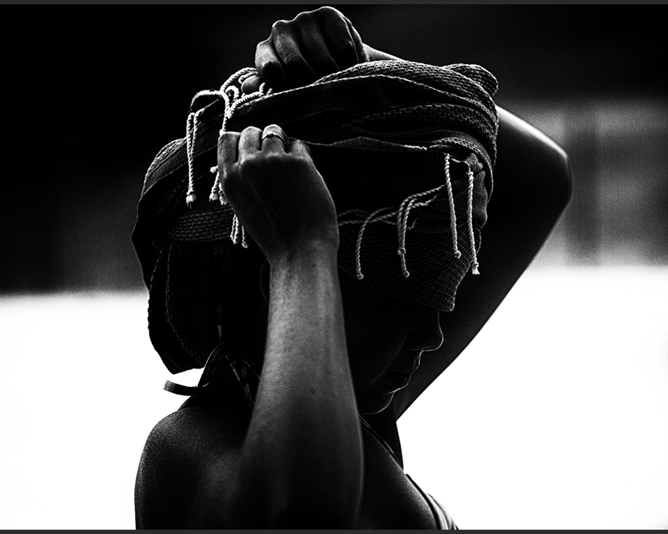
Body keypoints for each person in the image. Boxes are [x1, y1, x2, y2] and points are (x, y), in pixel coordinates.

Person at [133, 7, 571, 529]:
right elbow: (303, 513)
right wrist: (302, 247)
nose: (433, 335)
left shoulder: (359, 417)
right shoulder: (186, 447)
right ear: (279, 281)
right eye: (407, 300)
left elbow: (541, 180)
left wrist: (354, 65)